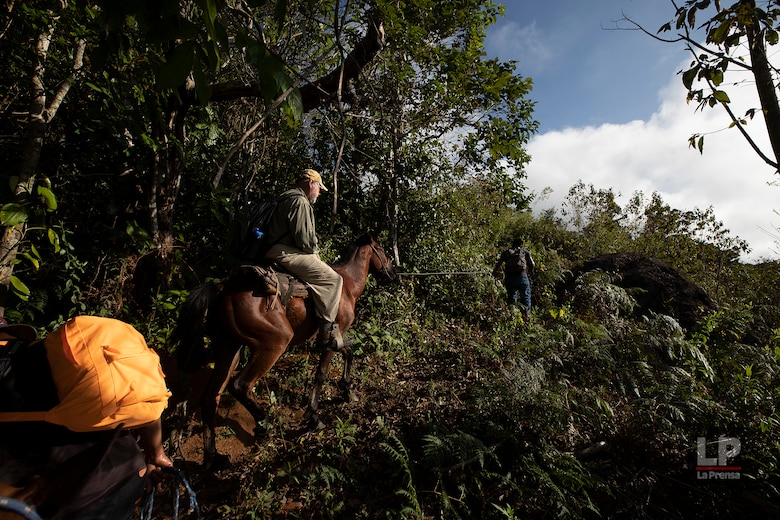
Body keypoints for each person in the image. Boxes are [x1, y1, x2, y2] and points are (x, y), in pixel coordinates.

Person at [0, 317, 173, 519]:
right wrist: (156, 454)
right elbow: (139, 392)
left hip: (76, 502)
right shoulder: (57, 353)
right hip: (130, 475)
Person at [264, 168, 345, 351]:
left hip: (274, 249)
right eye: (319, 188)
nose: (319, 193)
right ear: (311, 184)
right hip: (284, 252)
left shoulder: (283, 197)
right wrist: (314, 252)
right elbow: (304, 239)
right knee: (333, 279)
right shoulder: (299, 201)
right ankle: (325, 336)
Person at [492, 238, 536, 317]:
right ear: (521, 245)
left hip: (510, 277)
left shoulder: (506, 253)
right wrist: (531, 272)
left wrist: (494, 273)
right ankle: (526, 317)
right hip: (522, 276)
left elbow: (498, 264)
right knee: (525, 297)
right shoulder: (524, 252)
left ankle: (512, 316)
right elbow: (532, 264)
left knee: (511, 298)